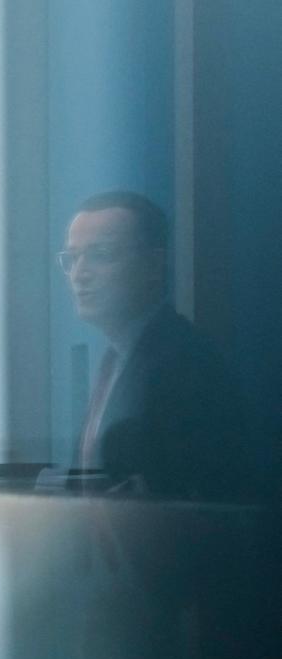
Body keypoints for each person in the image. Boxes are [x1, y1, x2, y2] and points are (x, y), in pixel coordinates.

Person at [60, 191, 246, 498]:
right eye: (72, 258)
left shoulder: (188, 364)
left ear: (152, 264)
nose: (79, 274)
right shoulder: (114, 359)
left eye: (100, 254)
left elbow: (190, 493)